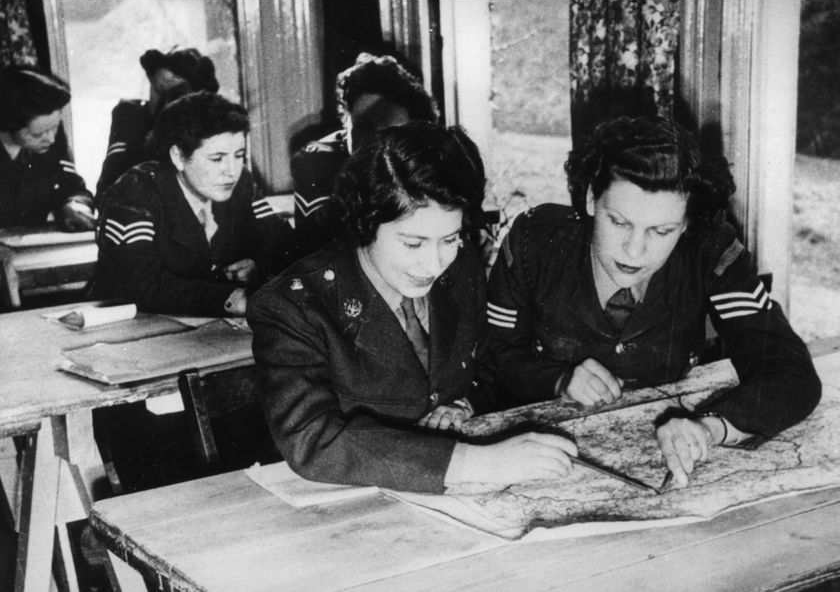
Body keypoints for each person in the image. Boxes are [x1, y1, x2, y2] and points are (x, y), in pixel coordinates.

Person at [486, 115, 821, 487]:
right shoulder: (534, 242)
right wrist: (557, 379)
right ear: (592, 199)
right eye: (619, 222)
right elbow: (491, 359)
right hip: (541, 464)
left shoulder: (711, 250)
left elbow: (790, 372)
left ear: (686, 224)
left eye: (661, 231)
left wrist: (710, 428)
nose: (634, 250)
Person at [248, 122, 578, 493]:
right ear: (366, 224)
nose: (434, 264)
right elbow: (312, 440)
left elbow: (488, 366)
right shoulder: (295, 305)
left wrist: (464, 405)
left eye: (449, 238)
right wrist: (473, 462)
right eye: (412, 243)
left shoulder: (461, 268)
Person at [93, 91, 295, 316]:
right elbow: (143, 286)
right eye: (217, 158)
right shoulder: (134, 194)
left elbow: (283, 245)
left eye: (239, 155)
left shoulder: (241, 185)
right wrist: (232, 298)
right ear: (178, 157)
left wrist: (259, 266)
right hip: (118, 326)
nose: (232, 171)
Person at [291, 53, 439, 258]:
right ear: (346, 121)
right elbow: (322, 247)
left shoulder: (424, 157)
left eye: (388, 132)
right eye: (363, 128)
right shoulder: (315, 161)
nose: (373, 143)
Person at [96, 48, 220, 198]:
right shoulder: (131, 119)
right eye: (157, 90)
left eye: (176, 95)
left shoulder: (216, 126)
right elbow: (108, 190)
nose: (164, 103)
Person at [0, 65, 95, 230]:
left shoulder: (50, 140)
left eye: (55, 127)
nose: (50, 139)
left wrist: (75, 204)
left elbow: (72, 186)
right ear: (8, 126)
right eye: (38, 134)